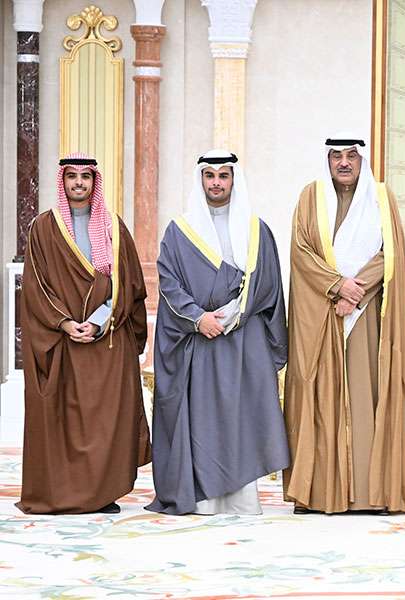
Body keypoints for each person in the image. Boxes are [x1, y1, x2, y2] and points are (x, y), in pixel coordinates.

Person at [146, 150, 290, 515]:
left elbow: (270, 284)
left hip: (244, 338)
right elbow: (169, 283)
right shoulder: (180, 231)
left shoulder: (257, 230)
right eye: (209, 176)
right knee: (204, 421)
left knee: (242, 418)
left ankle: (242, 499)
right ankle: (204, 498)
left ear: (233, 180)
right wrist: (199, 319)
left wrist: (237, 312)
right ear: (201, 180)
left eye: (223, 175)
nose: (216, 183)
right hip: (201, 340)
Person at [284, 135, 405, 514]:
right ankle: (316, 493)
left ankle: (369, 494)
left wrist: (356, 290)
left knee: (366, 396)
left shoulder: (382, 198)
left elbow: (390, 252)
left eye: (351, 156)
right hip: (322, 313)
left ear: (363, 160)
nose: (344, 163)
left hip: (367, 314)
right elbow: (301, 251)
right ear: (327, 160)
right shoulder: (310, 197)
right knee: (318, 395)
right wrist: (336, 286)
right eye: (336, 156)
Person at [17, 153, 150, 514]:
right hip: (62, 339)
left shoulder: (113, 227)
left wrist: (100, 320)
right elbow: (36, 286)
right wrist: (64, 322)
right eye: (72, 176)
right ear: (62, 181)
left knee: (106, 421)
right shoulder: (44, 227)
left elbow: (129, 284)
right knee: (66, 421)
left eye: (86, 177)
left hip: (107, 339)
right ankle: (64, 493)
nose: (79, 183)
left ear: (95, 182)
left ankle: (103, 493)